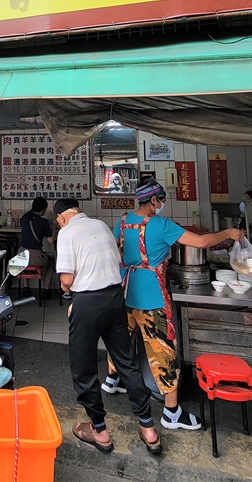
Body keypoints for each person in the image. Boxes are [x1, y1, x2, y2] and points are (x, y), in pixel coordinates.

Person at [102, 179, 244, 432]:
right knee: (163, 352)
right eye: (162, 200)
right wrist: (229, 234)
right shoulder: (161, 225)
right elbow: (201, 243)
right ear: (154, 200)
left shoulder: (123, 222)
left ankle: (112, 380)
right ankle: (171, 412)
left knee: (122, 340)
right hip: (152, 298)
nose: (162, 205)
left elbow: (114, 249)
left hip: (125, 292)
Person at [54, 198, 163, 456]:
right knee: (126, 361)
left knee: (84, 368)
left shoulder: (67, 233)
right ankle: (148, 428)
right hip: (115, 299)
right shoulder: (102, 225)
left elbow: (67, 279)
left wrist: (66, 288)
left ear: (61, 218)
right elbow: (116, 259)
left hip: (88, 304)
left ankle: (100, 431)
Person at [19, 197, 54, 298]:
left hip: (22, 256)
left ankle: (26, 289)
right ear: (43, 209)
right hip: (36, 257)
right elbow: (50, 241)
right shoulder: (43, 222)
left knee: (24, 265)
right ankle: (46, 291)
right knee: (51, 262)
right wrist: (55, 228)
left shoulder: (24, 218)